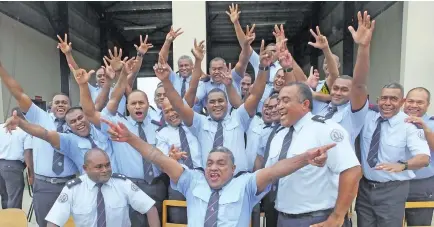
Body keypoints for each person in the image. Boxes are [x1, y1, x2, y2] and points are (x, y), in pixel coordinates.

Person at [101, 111, 335, 227]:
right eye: (210, 163)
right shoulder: (192, 180)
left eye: (221, 163)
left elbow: (275, 170)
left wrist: (306, 158)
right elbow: (156, 156)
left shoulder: (246, 185)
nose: (213, 167)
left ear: (233, 169)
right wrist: (130, 138)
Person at [157, 38, 268, 174]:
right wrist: (166, 81)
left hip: (238, 181)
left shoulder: (238, 118)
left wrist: (263, 68)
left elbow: (256, 96)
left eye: (221, 101)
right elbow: (180, 105)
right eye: (212, 102)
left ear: (227, 104)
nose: (217, 105)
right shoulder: (199, 122)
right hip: (210, 183)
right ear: (205, 106)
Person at [77, 59, 166, 226]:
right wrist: (83, 86)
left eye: (142, 102)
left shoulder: (159, 125)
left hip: (158, 185)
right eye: (133, 103)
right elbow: (90, 112)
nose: (138, 106)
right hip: (131, 186)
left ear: (148, 105)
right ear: (128, 107)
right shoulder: (117, 126)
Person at [262, 82, 361, 227]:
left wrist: (337, 217)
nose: (279, 106)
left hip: (317, 219)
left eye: (286, 100)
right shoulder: (278, 134)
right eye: (278, 101)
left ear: (305, 104)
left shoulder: (325, 129)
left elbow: (352, 171)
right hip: (283, 219)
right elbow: (270, 174)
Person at [0, 58, 78, 226]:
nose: (61, 105)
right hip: (44, 186)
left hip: (71, 185)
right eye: (57, 102)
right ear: (50, 106)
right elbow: (19, 93)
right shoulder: (39, 117)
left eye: (65, 103)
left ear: (70, 107)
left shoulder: (79, 124)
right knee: (44, 223)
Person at [356, 82, 430, 227]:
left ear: (402, 101)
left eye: (393, 99)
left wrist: (403, 166)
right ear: (378, 100)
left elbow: (424, 158)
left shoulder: (410, 125)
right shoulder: (367, 116)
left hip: (393, 190)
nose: (387, 103)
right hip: (365, 188)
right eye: (384, 98)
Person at [45, 148, 160, 227]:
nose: (105, 170)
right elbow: (53, 221)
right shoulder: (73, 189)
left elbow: (150, 208)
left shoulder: (122, 183)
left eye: (107, 165)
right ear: (85, 168)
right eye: (99, 167)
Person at [312, 11, 374, 147]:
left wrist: (363, 47)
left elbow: (359, 84)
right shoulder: (321, 105)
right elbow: (332, 76)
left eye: (344, 90)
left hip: (338, 168)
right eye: (335, 88)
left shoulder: (353, 114)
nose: (338, 93)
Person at [4, 106, 116, 174]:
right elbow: (45, 134)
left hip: (117, 185)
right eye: (72, 122)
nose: (78, 122)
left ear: (87, 117)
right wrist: (21, 123)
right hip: (91, 189)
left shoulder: (102, 129)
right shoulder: (70, 140)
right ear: (69, 126)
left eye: (80, 118)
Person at [156, 98, 202, 224]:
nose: (171, 114)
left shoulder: (197, 125)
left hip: (202, 179)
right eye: (166, 112)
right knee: (178, 221)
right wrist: (171, 159)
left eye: (173, 109)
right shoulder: (162, 134)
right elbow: (161, 163)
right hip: (179, 182)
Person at [403, 87, 434, 226]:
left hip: (421, 185)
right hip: (392, 184)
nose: (414, 105)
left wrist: (425, 128)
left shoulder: (432, 123)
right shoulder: (394, 120)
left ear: (428, 105)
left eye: (420, 102)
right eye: (410, 101)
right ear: (404, 101)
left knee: (418, 224)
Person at [0, 108, 32, 209]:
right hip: (13, 166)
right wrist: (31, 174)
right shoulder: (25, 131)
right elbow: (28, 154)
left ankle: (6, 222)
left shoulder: (1, 127)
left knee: (5, 197)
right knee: (14, 199)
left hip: (1, 164)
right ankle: (13, 222)